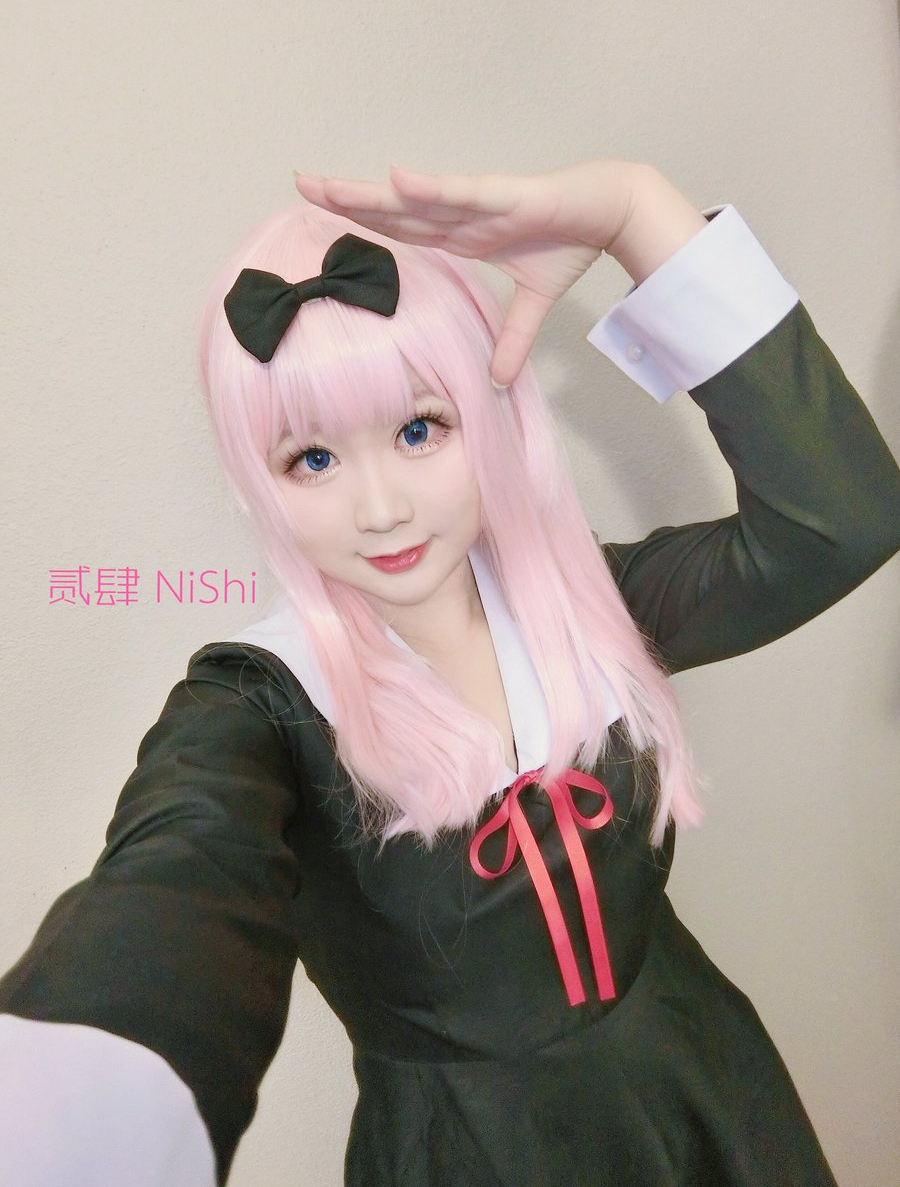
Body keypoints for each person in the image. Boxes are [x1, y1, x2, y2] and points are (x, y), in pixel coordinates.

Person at [1, 159, 898, 1187]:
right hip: (467, 1156)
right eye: (312, 460)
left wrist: (636, 213)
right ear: (260, 481)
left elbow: (841, 522)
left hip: (707, 1098)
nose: (381, 508)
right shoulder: (256, 706)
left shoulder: (592, 603)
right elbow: (168, 886)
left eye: (419, 429)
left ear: (491, 415)